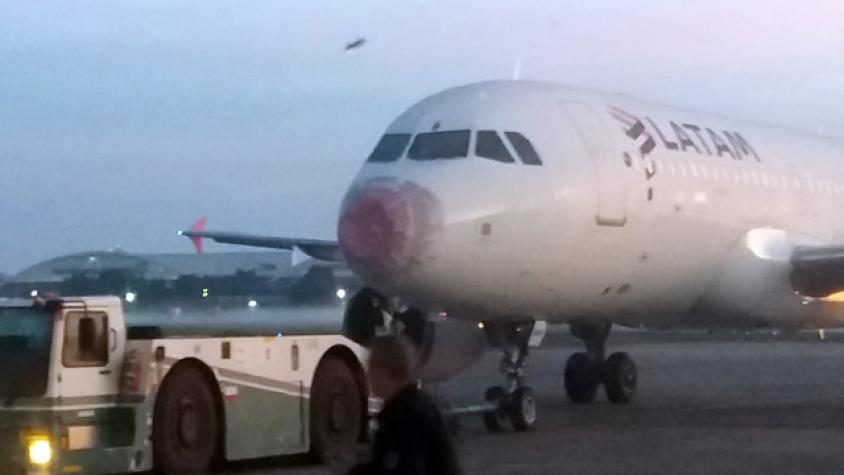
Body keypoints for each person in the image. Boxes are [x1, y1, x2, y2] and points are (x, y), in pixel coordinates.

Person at [349, 335, 460, 475]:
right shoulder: (417, 407)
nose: (368, 376)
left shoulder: (403, 418)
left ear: (383, 371)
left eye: (371, 368)